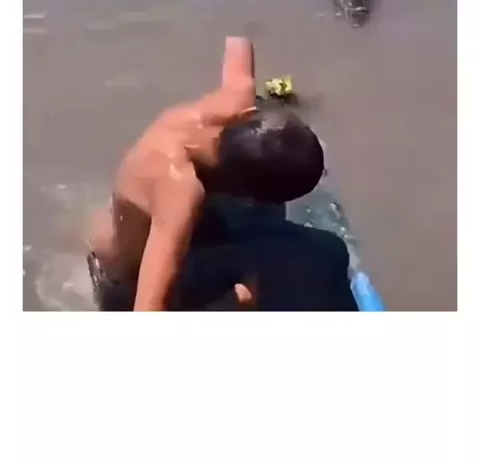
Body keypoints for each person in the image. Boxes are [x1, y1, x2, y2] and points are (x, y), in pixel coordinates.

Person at [87, 37, 357, 311]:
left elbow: (239, 44)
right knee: (259, 282)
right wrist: (234, 304)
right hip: (126, 280)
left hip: (138, 222)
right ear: (245, 193)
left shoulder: (234, 104)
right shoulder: (180, 196)